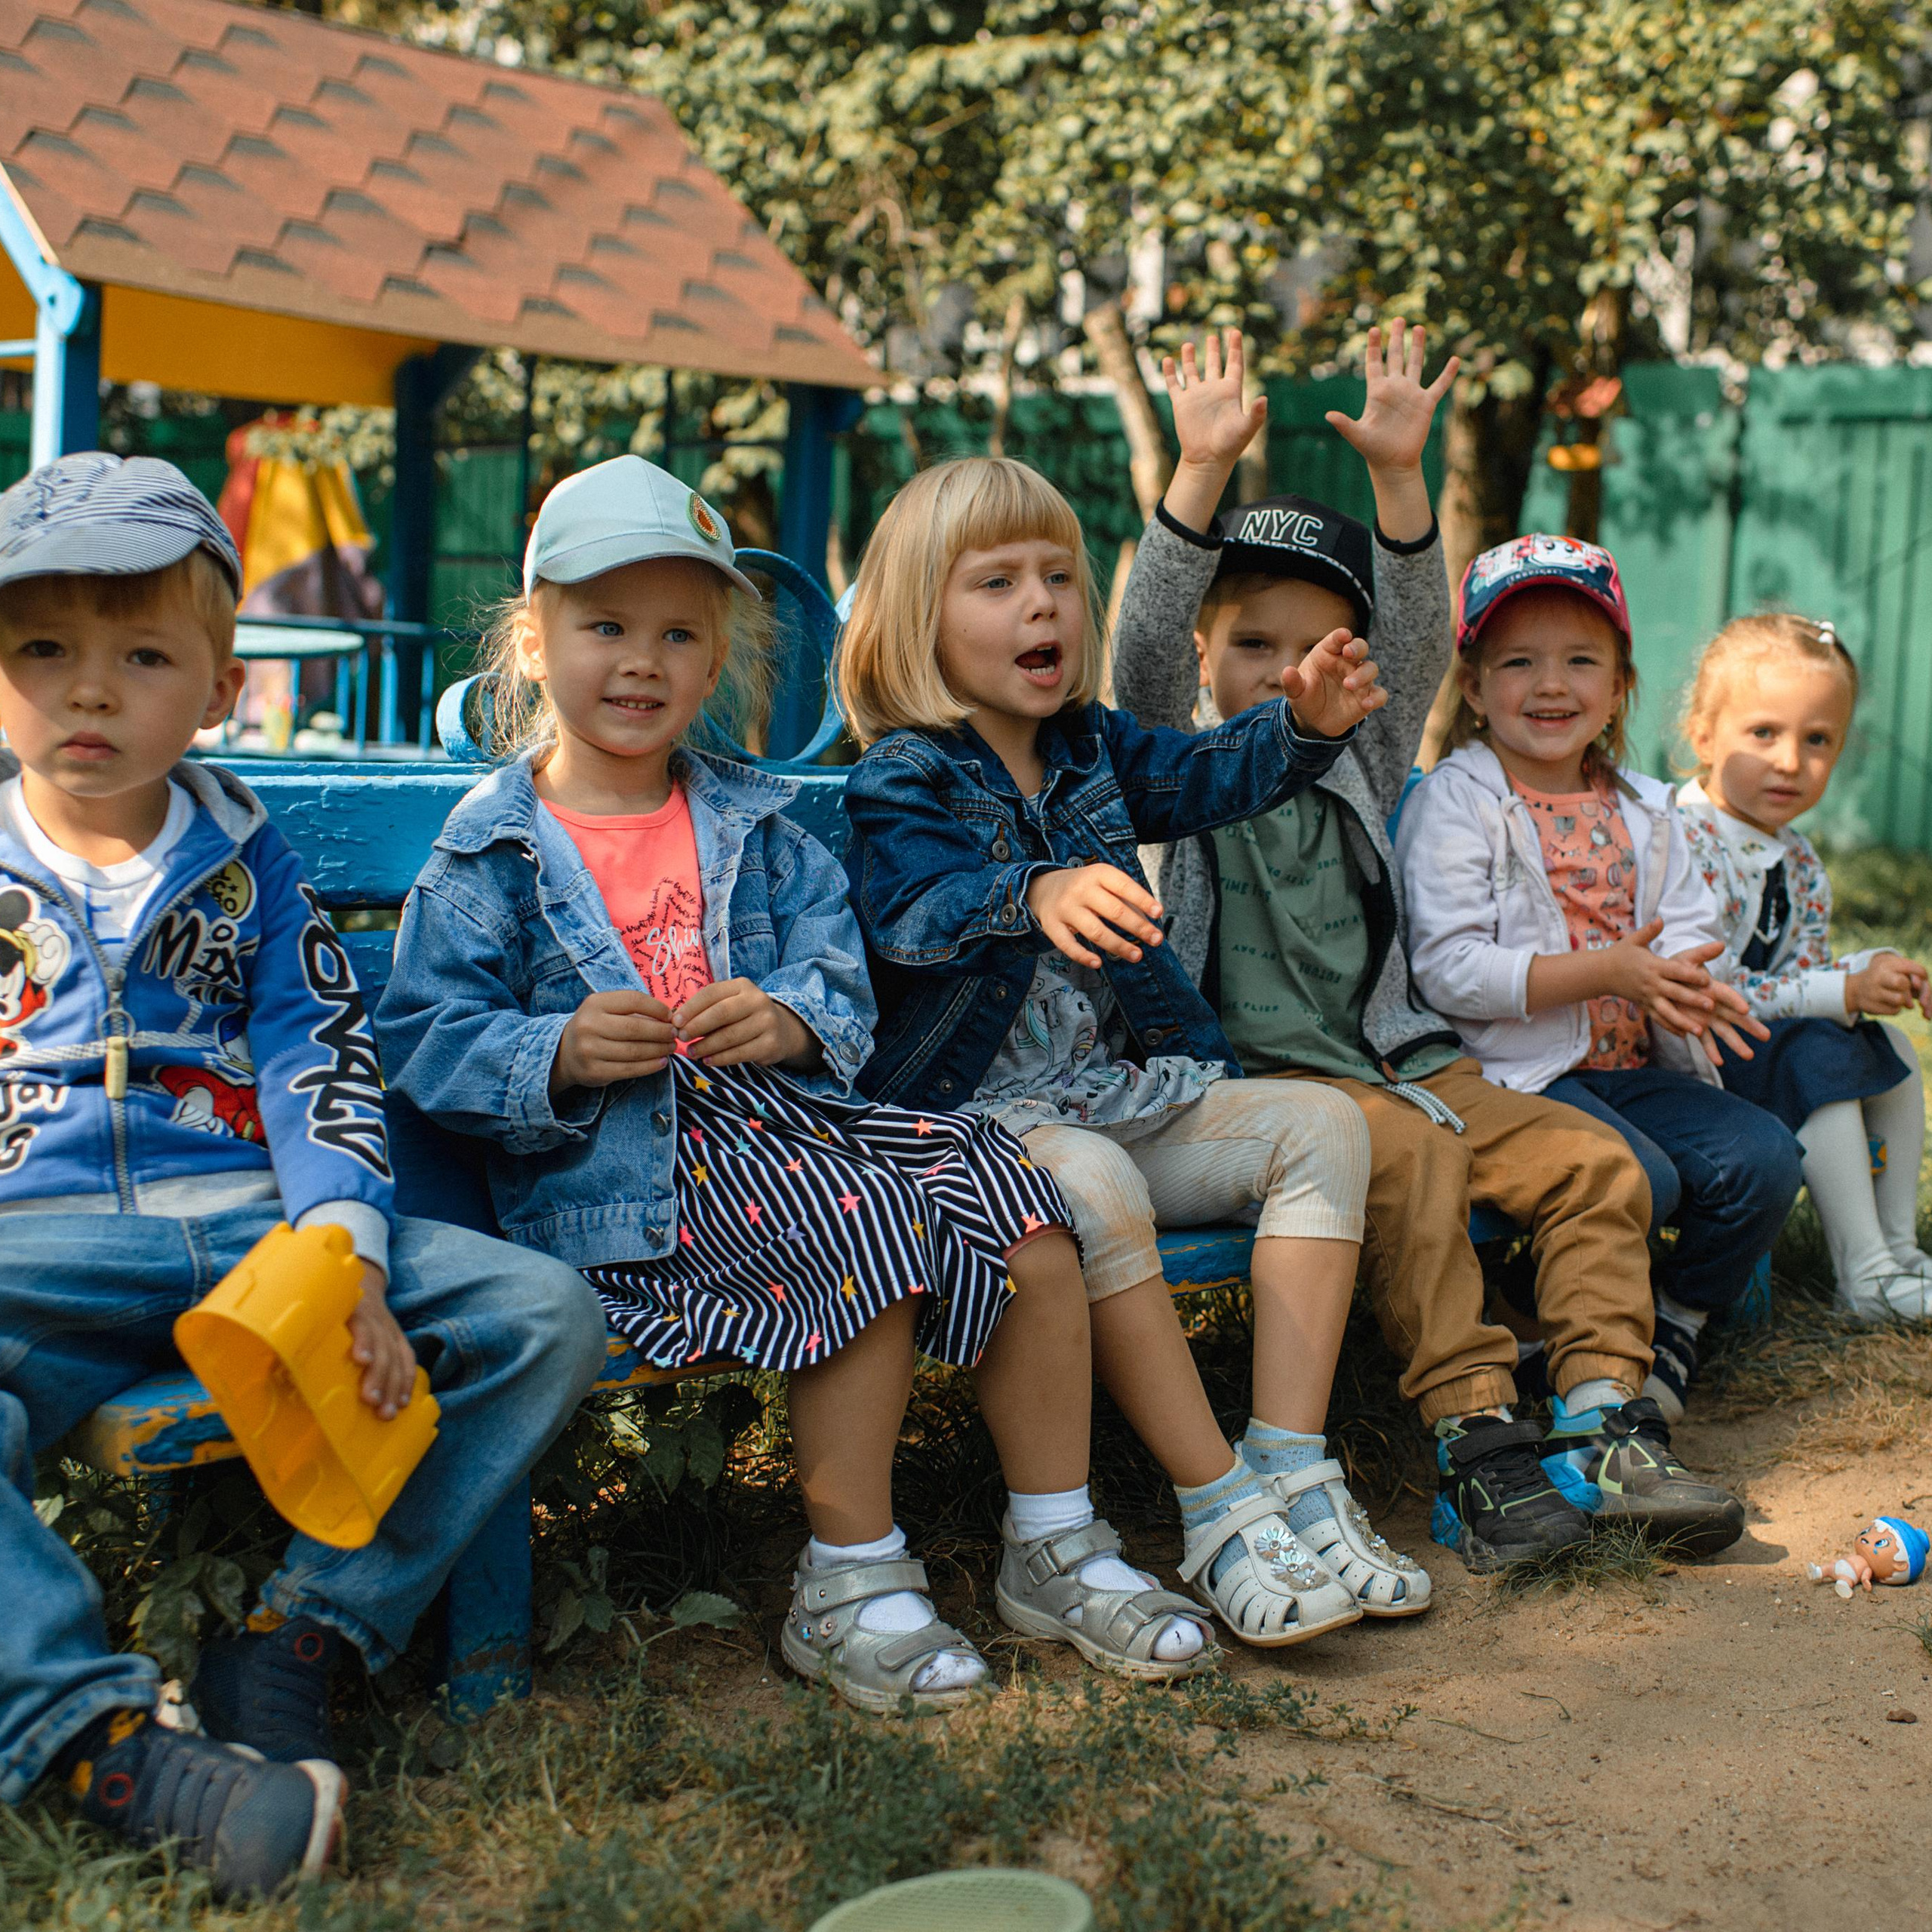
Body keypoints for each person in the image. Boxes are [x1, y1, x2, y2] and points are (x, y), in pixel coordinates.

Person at [378, 456, 1214, 1709]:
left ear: (716, 660)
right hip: (629, 1190)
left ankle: (1054, 1541)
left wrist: (785, 1019)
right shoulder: (489, 852)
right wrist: (551, 1053)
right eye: (606, 628)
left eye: (678, 635)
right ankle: (847, 1580)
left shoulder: (755, 826)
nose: (643, 662)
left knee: (1023, 1197)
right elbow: (424, 1038)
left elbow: (840, 984)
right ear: (535, 644)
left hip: (790, 1137)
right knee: (863, 1225)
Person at [0, 454, 609, 1900]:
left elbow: (318, 1062)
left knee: (544, 1315)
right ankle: (94, 1739)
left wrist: (343, 1256)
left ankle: (296, 1635)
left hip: (258, 1233)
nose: (90, 692)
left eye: (143, 657)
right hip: (40, 1247)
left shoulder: (248, 865)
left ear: (219, 687)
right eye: (43, 651)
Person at [1110, 325, 1737, 1567]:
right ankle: (1476, 1442)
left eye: (1315, 649)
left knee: (1592, 1165)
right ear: (1202, 658)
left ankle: (1605, 1427)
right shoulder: (1173, 766)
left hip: (1410, 1061)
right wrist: (1198, 471)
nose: (1284, 673)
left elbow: (1407, 628)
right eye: (1251, 646)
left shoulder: (1359, 754)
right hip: (1264, 1086)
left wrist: (1402, 476)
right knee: (1413, 1162)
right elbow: (1140, 645)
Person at [836, 447, 1429, 1647]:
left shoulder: (1090, 748)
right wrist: (1033, 892)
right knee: (1097, 1182)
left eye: (1058, 575)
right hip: (973, 1128)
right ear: (915, 621)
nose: (1043, 604)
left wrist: (1301, 727)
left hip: (1104, 1093)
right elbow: (911, 912)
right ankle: (1217, 1506)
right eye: (996, 582)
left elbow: (1207, 772)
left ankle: (1291, 1465)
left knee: (1321, 1127)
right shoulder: (902, 777)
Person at [1397, 533, 1803, 1442]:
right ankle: (1547, 1323)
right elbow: (1447, 969)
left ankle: (1673, 1322)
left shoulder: (1649, 808)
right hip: (1516, 1074)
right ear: (1473, 688)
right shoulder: (1456, 800)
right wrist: (1607, 970)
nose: (1551, 684)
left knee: (1765, 1158)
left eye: (1581, 660)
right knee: (1643, 1178)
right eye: (1518, 662)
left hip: (1631, 1066)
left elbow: (1688, 925)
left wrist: (1690, 982)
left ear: (1619, 686)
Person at [1676, 612, 1932, 1321]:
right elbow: (1720, 987)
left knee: (1893, 1049)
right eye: (1764, 733)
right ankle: (1865, 1275)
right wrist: (1839, 988)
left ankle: (1899, 1249)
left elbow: (1803, 972)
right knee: (1815, 1055)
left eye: (1818, 740)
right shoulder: (1683, 839)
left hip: (1759, 1045)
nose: (1791, 761)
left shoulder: (1798, 859)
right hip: (1690, 1055)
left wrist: (1870, 970)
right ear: (1703, 735)